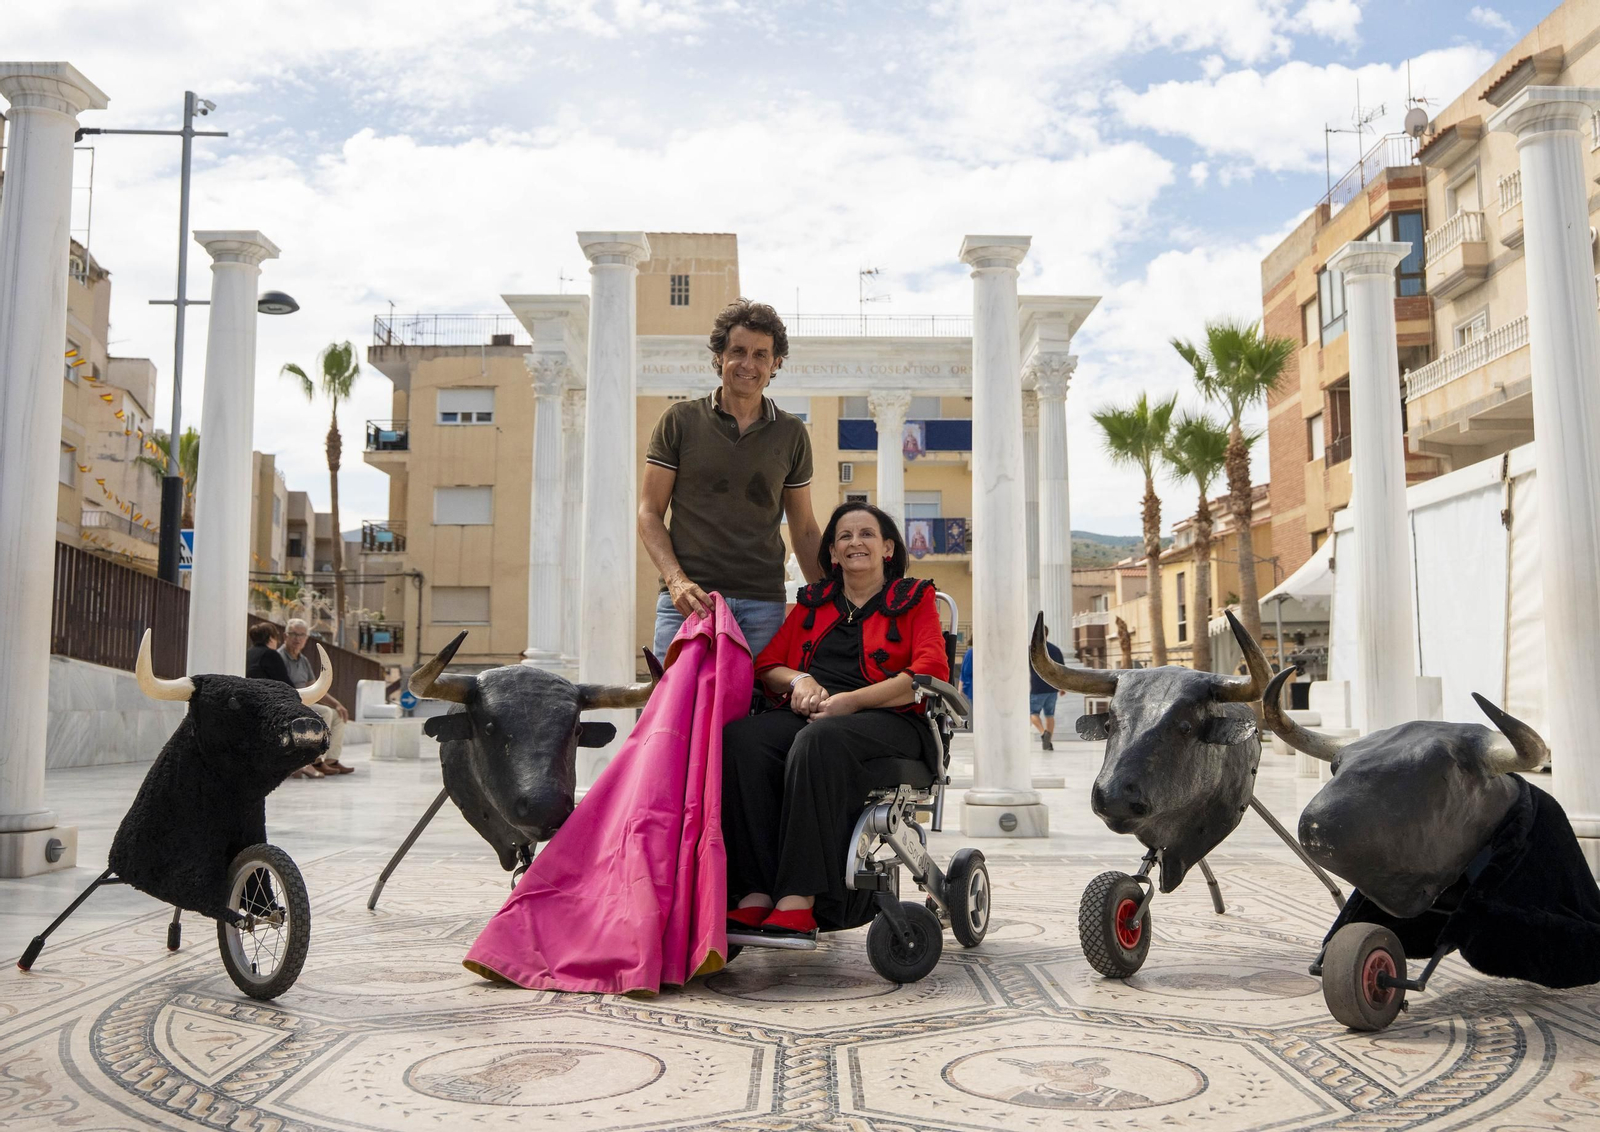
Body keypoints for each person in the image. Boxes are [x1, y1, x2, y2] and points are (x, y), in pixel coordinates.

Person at [720, 502, 950, 940]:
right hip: (819, 713)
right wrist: (800, 680)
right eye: (844, 536)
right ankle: (754, 894)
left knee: (817, 740)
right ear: (831, 554)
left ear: (886, 548)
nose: (854, 542)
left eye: (866, 534)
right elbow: (767, 664)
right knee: (742, 740)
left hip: (893, 721)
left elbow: (929, 673)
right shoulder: (813, 605)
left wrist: (852, 702)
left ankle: (799, 899)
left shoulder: (915, 600)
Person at [639, 299, 825, 661]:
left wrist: (832, 602)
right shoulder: (678, 421)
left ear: (775, 364)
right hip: (688, 603)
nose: (748, 364)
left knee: (756, 716)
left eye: (760, 354)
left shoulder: (792, 433)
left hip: (763, 607)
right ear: (719, 357)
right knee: (671, 713)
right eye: (737, 351)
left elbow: (804, 530)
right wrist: (676, 581)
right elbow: (649, 513)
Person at [279, 618, 353, 776]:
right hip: (290, 702)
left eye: (302, 635)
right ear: (285, 636)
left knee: (337, 714)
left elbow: (317, 688)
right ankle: (316, 760)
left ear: (306, 638)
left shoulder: (303, 660)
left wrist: (338, 704)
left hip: (305, 701)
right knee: (325, 712)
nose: (297, 638)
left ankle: (331, 760)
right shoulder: (278, 658)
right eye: (293, 634)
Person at [1030, 625, 1065, 751]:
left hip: (1036, 687)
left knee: (1033, 713)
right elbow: (1062, 670)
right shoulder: (1055, 650)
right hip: (1052, 687)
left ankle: (1043, 732)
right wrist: (1062, 687)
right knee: (1050, 715)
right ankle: (1048, 742)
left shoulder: (1031, 650)